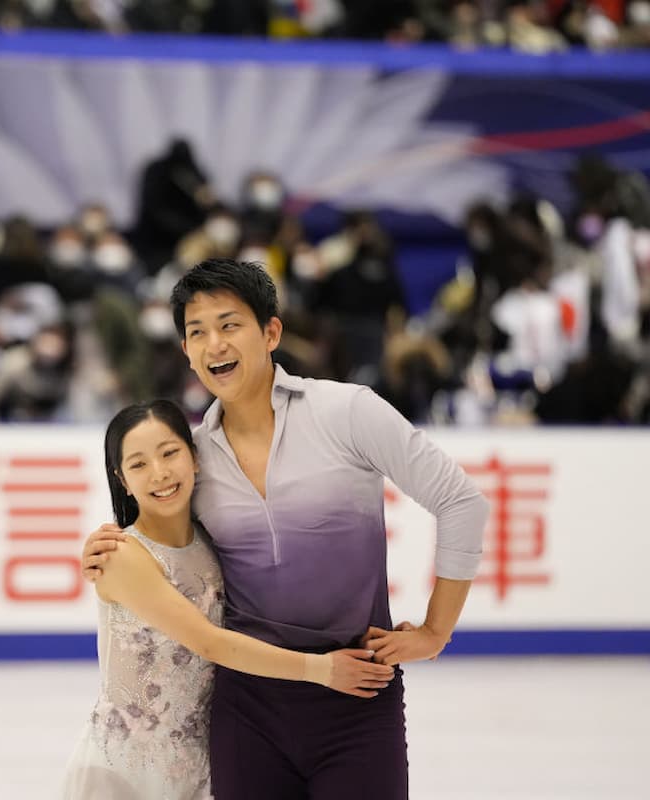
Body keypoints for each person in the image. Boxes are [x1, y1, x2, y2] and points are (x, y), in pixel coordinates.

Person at [83, 259, 489, 798]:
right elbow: (160, 538)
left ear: (270, 331)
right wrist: (109, 541)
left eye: (230, 325)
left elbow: (461, 501)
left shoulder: (347, 412)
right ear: (185, 350)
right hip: (246, 708)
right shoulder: (195, 456)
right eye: (197, 333)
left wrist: (437, 631)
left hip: (358, 692)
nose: (214, 345)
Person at [64, 399, 396, 800]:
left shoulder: (210, 541)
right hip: (126, 768)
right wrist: (321, 669)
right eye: (138, 465)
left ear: (195, 459)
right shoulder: (121, 555)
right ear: (121, 479)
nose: (160, 473)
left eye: (170, 453)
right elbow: (209, 642)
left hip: (196, 764)